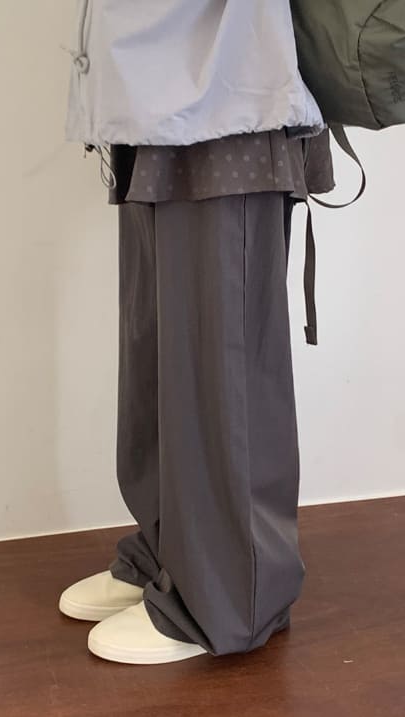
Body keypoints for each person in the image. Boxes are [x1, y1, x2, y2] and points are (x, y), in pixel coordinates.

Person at [58, 0, 336, 664]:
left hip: (227, 85)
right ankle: (170, 558)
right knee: (156, 354)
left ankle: (230, 596)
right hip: (150, 88)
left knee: (221, 361)